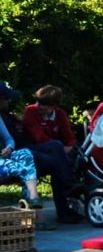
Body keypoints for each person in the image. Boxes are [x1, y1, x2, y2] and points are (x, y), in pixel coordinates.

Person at [20, 85, 83, 222]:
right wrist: (60, 150)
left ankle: (64, 214)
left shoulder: (60, 114)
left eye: (43, 104)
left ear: (53, 106)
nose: (38, 106)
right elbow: (38, 137)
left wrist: (64, 151)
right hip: (33, 150)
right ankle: (70, 185)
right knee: (56, 148)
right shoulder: (30, 111)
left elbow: (70, 139)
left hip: (55, 153)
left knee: (58, 165)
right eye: (37, 102)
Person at [0, 84, 42, 209]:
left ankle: (34, 198)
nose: (9, 101)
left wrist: (9, 148)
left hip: (3, 157)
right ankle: (35, 209)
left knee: (25, 153)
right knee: (21, 168)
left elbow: (9, 139)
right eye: (6, 98)